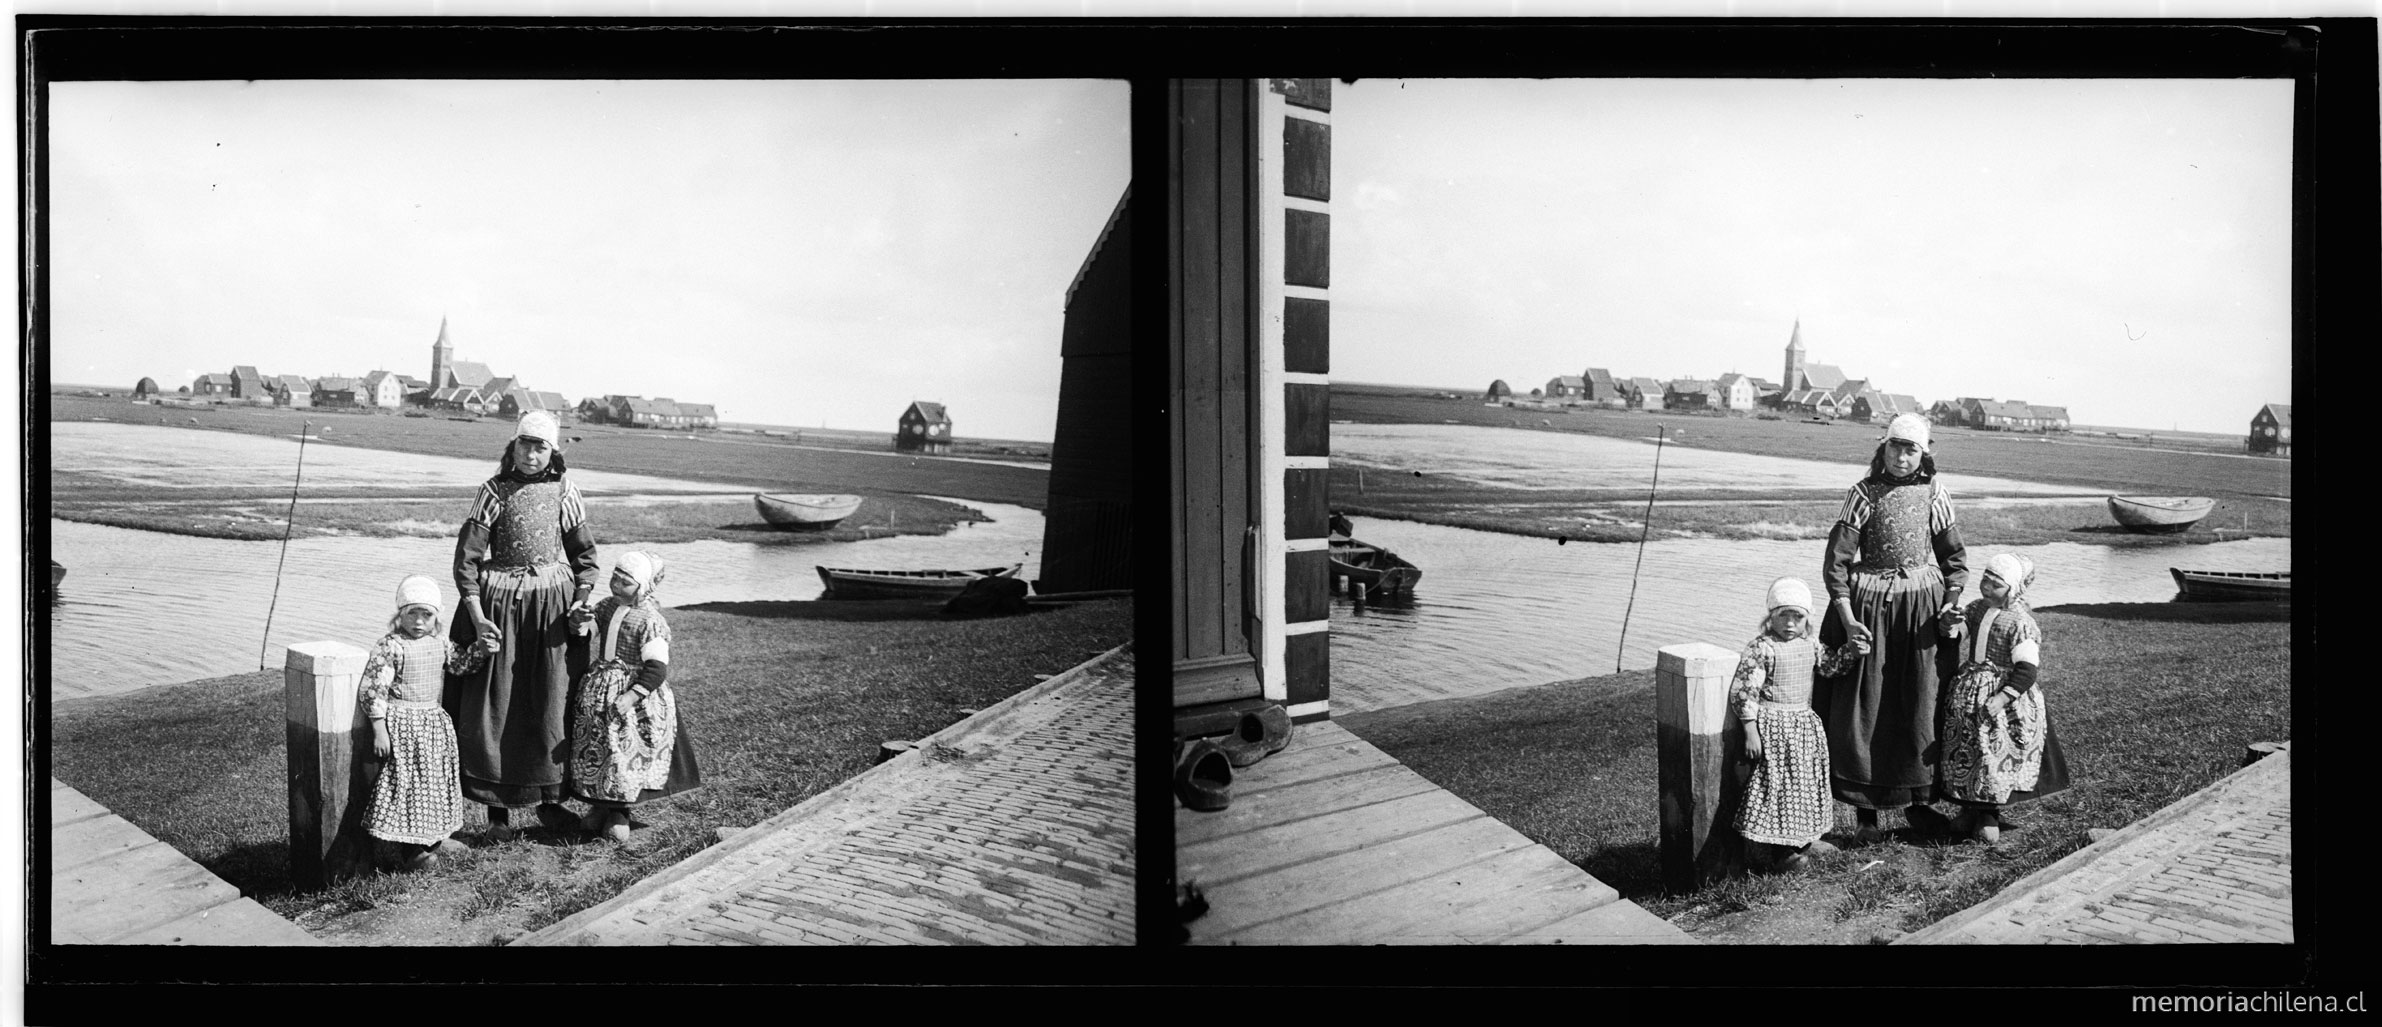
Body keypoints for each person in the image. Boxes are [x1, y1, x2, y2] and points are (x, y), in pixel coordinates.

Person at [446, 410, 599, 834]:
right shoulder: (493, 491)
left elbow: (584, 558)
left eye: (540, 446)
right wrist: (477, 618)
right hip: (498, 610)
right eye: (524, 444)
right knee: (496, 704)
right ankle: (498, 813)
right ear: (512, 446)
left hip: (550, 611)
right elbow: (467, 561)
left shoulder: (566, 491)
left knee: (548, 700)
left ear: (554, 451)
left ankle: (549, 802)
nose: (531, 454)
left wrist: (580, 602)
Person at [1818, 412, 1968, 841]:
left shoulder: (1935, 493)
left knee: (1917, 702)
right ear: (1881, 448)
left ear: (1925, 453)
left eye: (1911, 449)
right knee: (1864, 706)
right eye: (1894, 447)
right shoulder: (1862, 494)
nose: (1901, 458)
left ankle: (1919, 805)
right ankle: (1866, 816)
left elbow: (1954, 561)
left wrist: (1950, 606)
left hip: (1919, 612)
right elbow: (1838, 562)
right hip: (1867, 612)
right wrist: (1847, 620)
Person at [1733, 577, 1869, 871]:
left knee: (1803, 786)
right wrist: (1749, 729)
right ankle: (1781, 852)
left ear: (1807, 619)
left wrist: (1852, 652)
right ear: (1771, 616)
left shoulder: (1811, 645)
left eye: (1798, 616)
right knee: (1777, 788)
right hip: (1774, 728)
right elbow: (1745, 691)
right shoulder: (1762, 648)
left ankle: (1803, 841)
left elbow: (1831, 667)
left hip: (1803, 727)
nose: (1791, 623)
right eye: (1784, 615)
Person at [361, 575, 495, 869]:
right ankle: (412, 852)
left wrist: (482, 650)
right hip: (403, 726)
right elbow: (373, 689)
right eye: (412, 614)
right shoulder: (391, 646)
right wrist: (378, 729)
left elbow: (461, 665)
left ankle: (434, 838)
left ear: (436, 617)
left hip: (433, 725)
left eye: (427, 615)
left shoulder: (440, 644)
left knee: (433, 784)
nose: (419, 622)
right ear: (400, 615)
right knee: (408, 787)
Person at [570, 551, 703, 842]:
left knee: (625, 752)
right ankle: (598, 807)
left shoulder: (651, 621)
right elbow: (588, 632)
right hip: (602, 686)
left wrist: (631, 697)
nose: (617, 586)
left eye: (625, 582)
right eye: (615, 579)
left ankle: (620, 813)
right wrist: (580, 623)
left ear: (641, 587)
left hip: (632, 695)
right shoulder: (605, 607)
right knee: (599, 746)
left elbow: (656, 669)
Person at [1938, 553, 2071, 843]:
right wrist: (1950, 624)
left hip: (2003, 695)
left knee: (1994, 753)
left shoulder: (2021, 622)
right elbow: (1958, 635)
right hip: (1971, 687)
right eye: (1985, 579)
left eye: (1996, 584)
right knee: (1968, 747)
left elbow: (2026, 670)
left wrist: (2002, 697)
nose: (1987, 587)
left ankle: (1989, 814)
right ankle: (1968, 809)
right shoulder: (1974, 609)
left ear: (2012, 589)